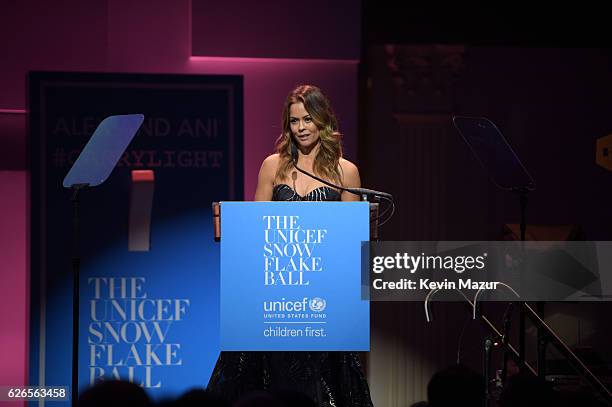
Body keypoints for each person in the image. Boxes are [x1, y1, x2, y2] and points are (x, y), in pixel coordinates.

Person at [207, 85, 373, 407]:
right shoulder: (273, 166)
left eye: (308, 119)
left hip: (323, 300)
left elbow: (352, 241)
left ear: (322, 121)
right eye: (294, 121)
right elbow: (254, 231)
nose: (301, 128)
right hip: (276, 296)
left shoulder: (345, 171)